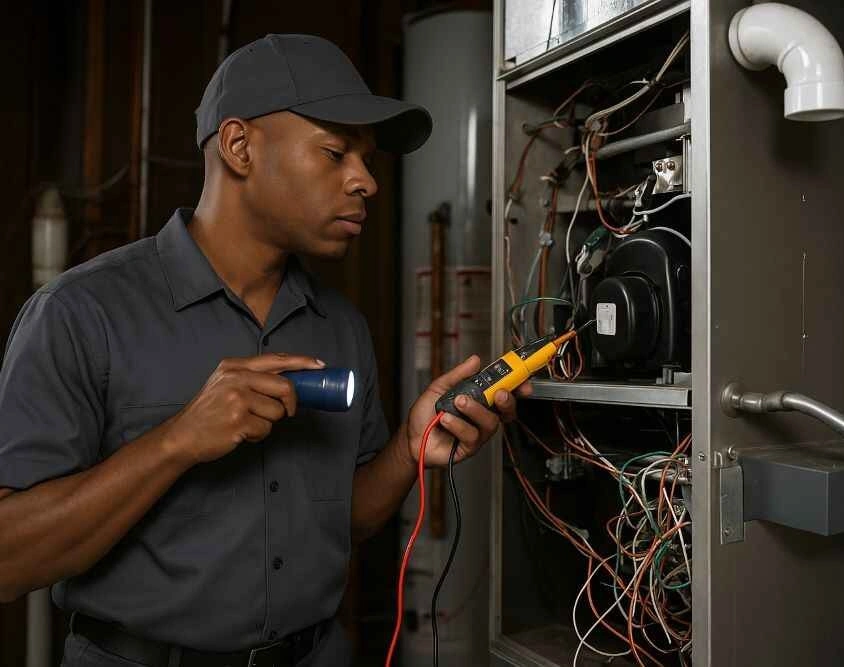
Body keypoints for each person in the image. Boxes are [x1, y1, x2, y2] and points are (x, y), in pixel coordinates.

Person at [0, 33, 525, 667]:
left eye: (367, 159)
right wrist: (177, 442)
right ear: (239, 146)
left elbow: (347, 522)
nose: (367, 182)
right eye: (335, 153)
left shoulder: (341, 328)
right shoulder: (80, 314)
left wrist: (407, 452)